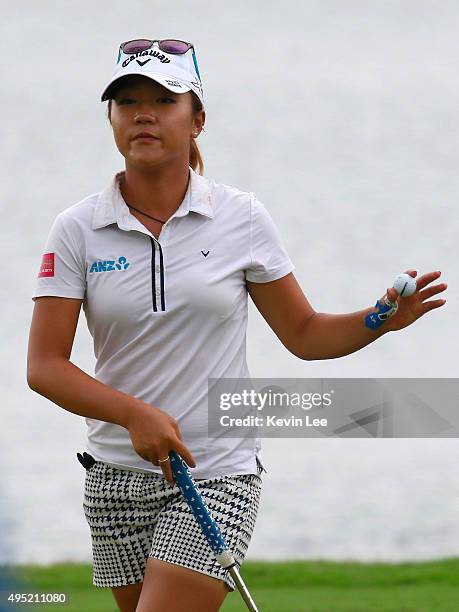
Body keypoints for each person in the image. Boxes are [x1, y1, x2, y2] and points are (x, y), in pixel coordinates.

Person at [26, 38, 447, 612]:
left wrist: (377, 321)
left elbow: (305, 335)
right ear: (111, 118)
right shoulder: (78, 228)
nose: (143, 113)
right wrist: (133, 414)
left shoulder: (240, 218)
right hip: (115, 477)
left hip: (216, 473)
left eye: (163, 99)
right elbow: (44, 366)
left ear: (197, 119)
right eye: (126, 102)